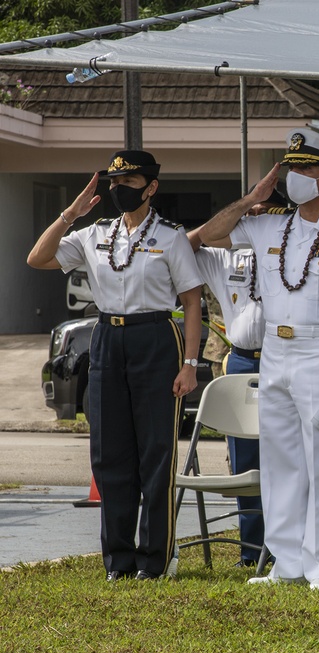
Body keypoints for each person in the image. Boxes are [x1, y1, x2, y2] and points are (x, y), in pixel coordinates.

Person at [198, 128, 319, 591]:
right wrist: (251, 198)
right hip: (274, 352)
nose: (292, 177)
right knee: (280, 460)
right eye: (290, 168)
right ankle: (287, 563)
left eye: (303, 169)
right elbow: (205, 236)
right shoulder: (266, 222)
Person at [27, 150, 203, 581]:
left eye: (129, 183)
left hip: (156, 338)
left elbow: (193, 301)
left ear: (151, 187)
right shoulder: (94, 233)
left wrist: (191, 364)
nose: (119, 190)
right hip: (107, 337)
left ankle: (154, 561)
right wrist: (70, 213)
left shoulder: (171, 236)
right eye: (114, 184)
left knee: (155, 454)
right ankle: (118, 561)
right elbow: (38, 257)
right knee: (109, 455)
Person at [187, 224, 268, 568]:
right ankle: (252, 551)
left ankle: (285, 548)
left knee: (285, 457)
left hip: (281, 358)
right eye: (247, 217)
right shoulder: (226, 257)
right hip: (239, 359)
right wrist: (239, 212)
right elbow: (186, 245)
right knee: (244, 460)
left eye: (262, 216)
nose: (253, 223)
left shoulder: (289, 251)